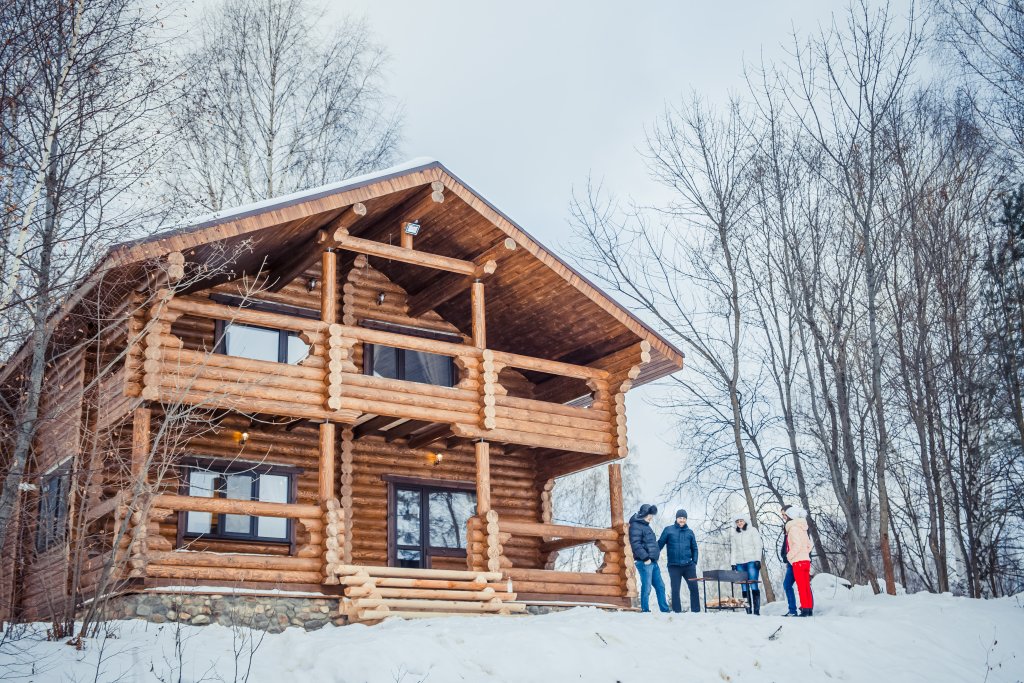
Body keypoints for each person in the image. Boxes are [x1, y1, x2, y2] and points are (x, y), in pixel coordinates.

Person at [628, 503, 669, 613]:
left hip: (653, 562)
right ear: (643, 514)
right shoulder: (635, 525)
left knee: (660, 586)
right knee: (647, 587)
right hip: (644, 562)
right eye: (649, 515)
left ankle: (665, 610)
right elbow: (635, 544)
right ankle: (645, 610)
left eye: (651, 516)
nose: (651, 518)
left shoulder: (646, 525)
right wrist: (645, 558)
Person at [658, 509, 700, 613]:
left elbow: (694, 548)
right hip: (674, 566)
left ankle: (696, 612)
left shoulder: (690, 533)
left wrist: (694, 562)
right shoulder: (668, 530)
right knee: (675, 590)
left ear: (686, 519)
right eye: (680, 518)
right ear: (676, 518)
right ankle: (677, 612)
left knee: (694, 588)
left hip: (688, 566)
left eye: (684, 518)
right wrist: (651, 554)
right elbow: (659, 544)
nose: (682, 520)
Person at [781, 504, 814, 617]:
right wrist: (805, 554)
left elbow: (797, 545)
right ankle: (808, 609)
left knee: (801, 587)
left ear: (790, 516)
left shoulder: (793, 528)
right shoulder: (802, 528)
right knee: (805, 586)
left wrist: (790, 556)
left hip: (798, 561)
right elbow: (809, 545)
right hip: (806, 560)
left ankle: (804, 609)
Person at [730, 514, 764, 615]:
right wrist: (733, 563)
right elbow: (734, 550)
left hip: (752, 561)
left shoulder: (752, 530)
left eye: (741, 521)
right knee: (743, 586)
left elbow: (758, 545)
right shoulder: (735, 534)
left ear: (745, 521)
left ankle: (756, 611)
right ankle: (748, 610)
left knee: (753, 584)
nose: (739, 523)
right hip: (740, 563)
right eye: (737, 522)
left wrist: (758, 559)